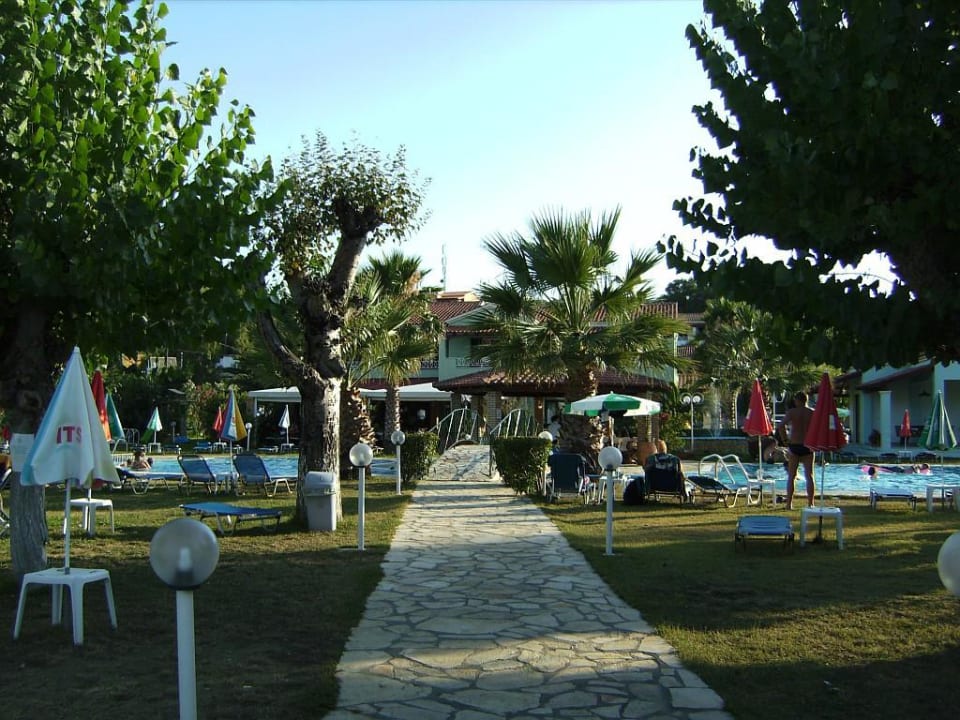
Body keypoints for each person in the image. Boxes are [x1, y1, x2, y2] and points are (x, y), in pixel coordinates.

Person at [775, 390, 815, 510]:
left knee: (791, 476)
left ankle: (789, 504)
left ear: (797, 400)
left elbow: (780, 425)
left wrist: (785, 440)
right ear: (806, 400)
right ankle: (810, 504)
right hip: (807, 446)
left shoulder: (792, 412)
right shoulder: (812, 413)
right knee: (809, 476)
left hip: (794, 445)